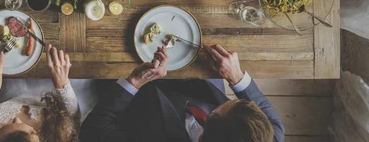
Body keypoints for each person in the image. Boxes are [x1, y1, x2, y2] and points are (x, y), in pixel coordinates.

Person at [80, 44, 285, 142]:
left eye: (226, 104)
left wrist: (135, 81)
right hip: (197, 85)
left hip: (135, 101)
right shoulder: (268, 137)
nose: (230, 99)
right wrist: (236, 77)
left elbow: (93, 130)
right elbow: (275, 125)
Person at [0, 44, 81, 142]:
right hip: (49, 99)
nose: (16, 118)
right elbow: (73, 118)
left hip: (5, 98)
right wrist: (63, 84)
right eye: (33, 132)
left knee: (6, 74)